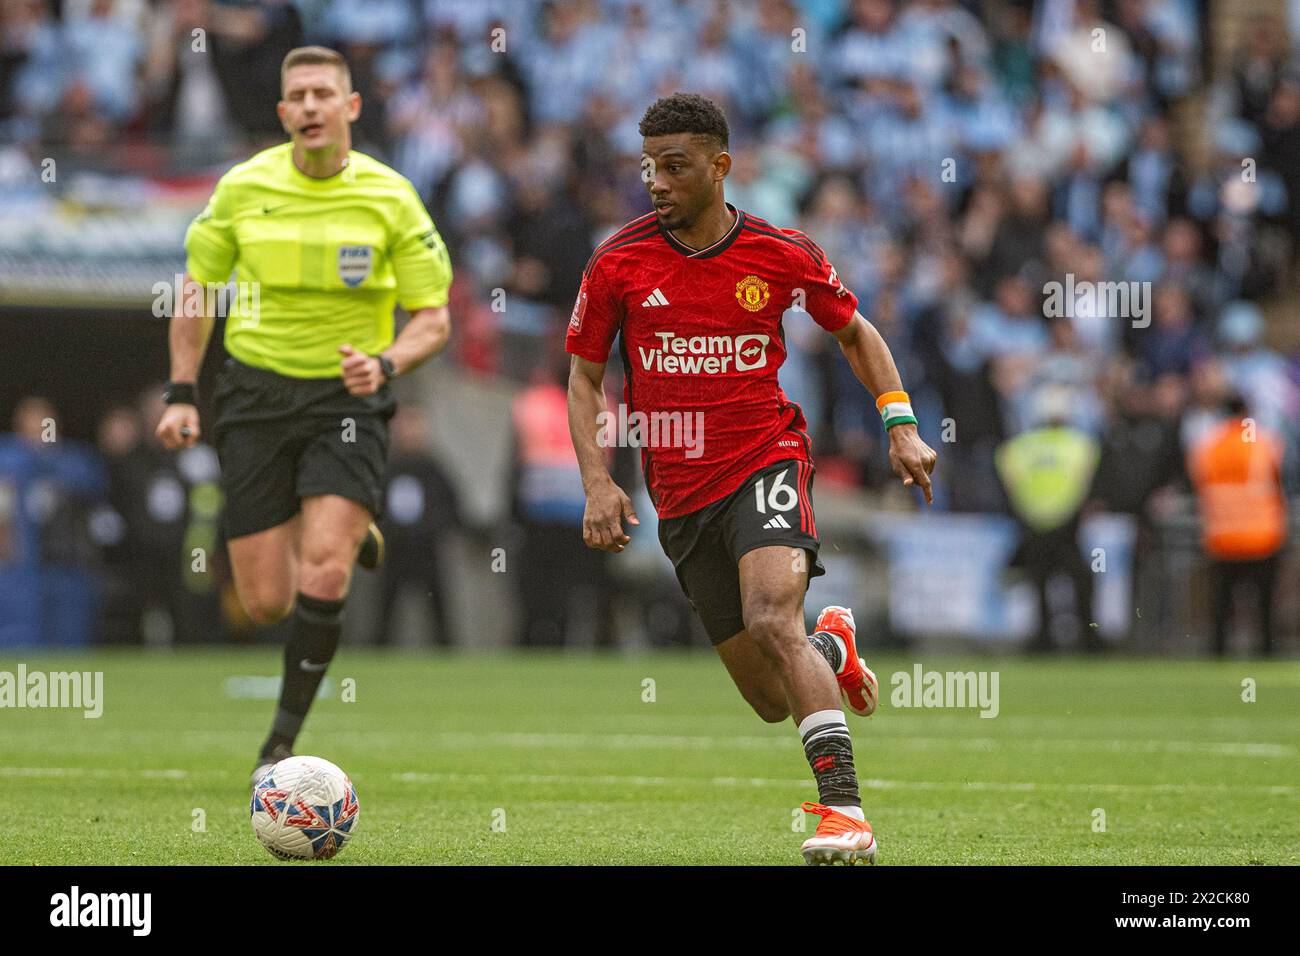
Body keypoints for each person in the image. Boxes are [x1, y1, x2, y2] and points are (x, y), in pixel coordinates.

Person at [565, 93, 936, 864]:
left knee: (773, 619)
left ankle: (846, 817)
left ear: (720, 166)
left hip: (765, 456)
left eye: (675, 167)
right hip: (679, 492)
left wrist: (899, 422)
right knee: (770, 698)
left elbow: (853, 331)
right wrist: (599, 482)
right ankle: (830, 649)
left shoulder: (779, 252)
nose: (657, 182)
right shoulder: (618, 262)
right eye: (648, 168)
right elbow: (584, 376)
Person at [155, 46, 452, 782]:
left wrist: (386, 363)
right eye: (300, 96)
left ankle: (280, 742)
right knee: (264, 601)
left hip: (347, 399)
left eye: (326, 92)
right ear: (284, 113)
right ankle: (347, 528)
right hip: (254, 397)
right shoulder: (242, 189)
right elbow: (197, 292)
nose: (312, 106)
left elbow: (434, 317)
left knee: (322, 573)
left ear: (350, 108)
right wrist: (182, 391)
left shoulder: (390, 196)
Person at [1188, 394, 1287, 656]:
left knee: (1221, 606)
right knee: (1264, 606)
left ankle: (1218, 654)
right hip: (1262, 536)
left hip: (1221, 536)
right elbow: (1280, 480)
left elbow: (1198, 484)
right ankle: (1265, 653)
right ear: (1247, 411)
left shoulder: (1208, 446)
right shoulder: (1264, 443)